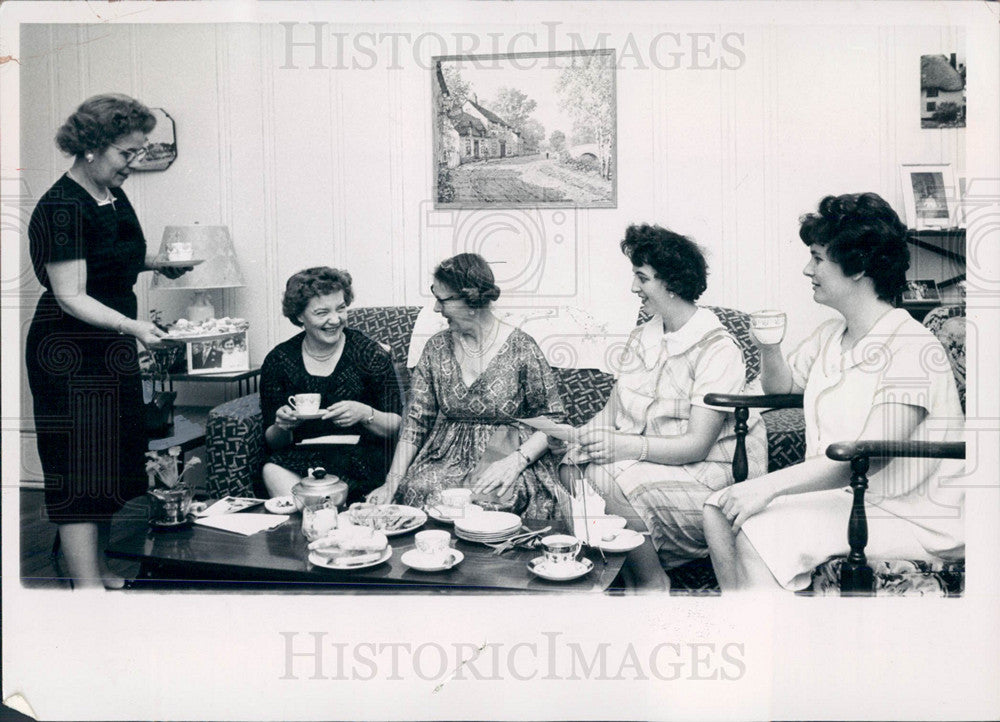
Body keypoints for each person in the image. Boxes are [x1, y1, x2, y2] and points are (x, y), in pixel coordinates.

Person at [703, 193, 964, 592]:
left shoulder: (912, 345)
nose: (808, 269)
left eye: (818, 257)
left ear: (858, 267)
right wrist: (768, 347)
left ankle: (774, 645)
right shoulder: (830, 336)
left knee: (758, 531)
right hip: (851, 497)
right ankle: (754, 630)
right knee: (717, 510)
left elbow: (872, 454)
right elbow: (783, 388)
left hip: (912, 515)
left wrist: (766, 485)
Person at [25, 93, 193, 590]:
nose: (133, 163)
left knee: (103, 464)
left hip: (108, 346)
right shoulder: (61, 207)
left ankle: (95, 569)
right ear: (92, 148)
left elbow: (107, 259)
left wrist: (156, 264)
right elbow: (71, 294)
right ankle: (84, 585)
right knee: (79, 467)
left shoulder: (110, 194)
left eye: (139, 152)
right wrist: (136, 327)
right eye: (126, 153)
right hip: (69, 352)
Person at [560, 224, 767, 590]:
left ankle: (652, 581)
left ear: (671, 284)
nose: (633, 288)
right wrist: (575, 437)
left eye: (642, 278)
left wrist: (625, 446)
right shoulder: (643, 336)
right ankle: (623, 572)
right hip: (651, 462)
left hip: (705, 474)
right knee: (571, 468)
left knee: (604, 479)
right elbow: (611, 411)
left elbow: (697, 445)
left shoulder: (717, 347)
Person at [367, 253, 567, 520]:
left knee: (495, 498)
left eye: (442, 300)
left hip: (508, 452)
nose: (436, 309)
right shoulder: (436, 347)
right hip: (445, 454)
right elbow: (415, 422)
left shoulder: (521, 347)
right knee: (417, 489)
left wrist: (516, 462)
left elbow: (553, 418)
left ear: (472, 301)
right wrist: (391, 482)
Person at [260, 267, 403, 501]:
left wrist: (365, 413)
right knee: (272, 470)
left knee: (319, 502)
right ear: (299, 316)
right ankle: (319, 522)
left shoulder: (369, 354)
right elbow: (272, 441)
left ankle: (320, 518)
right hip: (301, 460)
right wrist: (282, 425)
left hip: (362, 457)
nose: (335, 320)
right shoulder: (279, 359)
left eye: (341, 308)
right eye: (322, 312)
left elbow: (397, 425)